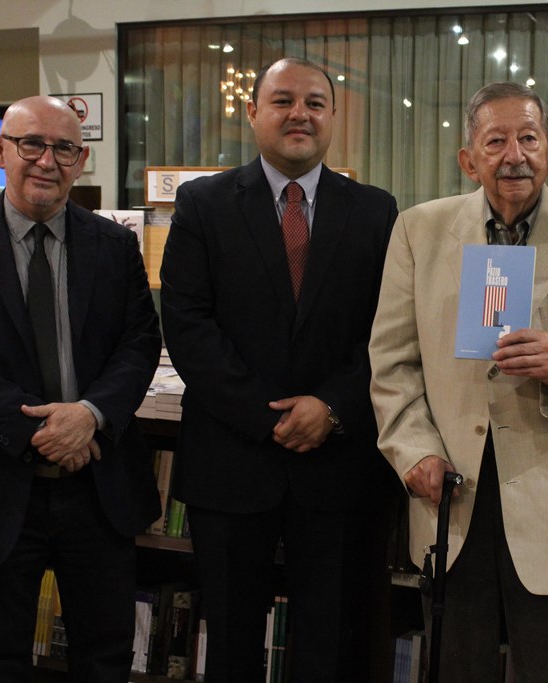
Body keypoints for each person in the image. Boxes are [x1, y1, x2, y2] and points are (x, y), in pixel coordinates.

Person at [368, 81, 548, 683]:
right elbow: (392, 364)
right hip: (451, 494)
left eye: (528, 138)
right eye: (495, 141)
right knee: (453, 665)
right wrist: (413, 451)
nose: (513, 154)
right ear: (469, 159)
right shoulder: (419, 232)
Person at [159, 57, 399, 683]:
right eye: (284, 100)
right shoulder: (202, 204)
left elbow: (391, 330)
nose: (301, 113)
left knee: (331, 641)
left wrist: (333, 406)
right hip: (233, 459)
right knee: (232, 641)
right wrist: (267, 417)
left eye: (316, 102)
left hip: (339, 462)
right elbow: (187, 324)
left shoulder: (376, 212)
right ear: (252, 112)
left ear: (332, 117)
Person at [0, 95, 162, 683]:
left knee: (105, 657)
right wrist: (45, 430)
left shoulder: (115, 246)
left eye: (63, 148)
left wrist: (91, 415)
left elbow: (139, 344)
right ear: (0, 151)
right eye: (31, 144)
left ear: (82, 159)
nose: (46, 160)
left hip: (98, 489)